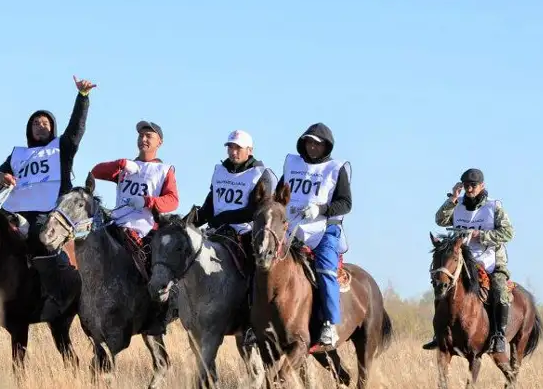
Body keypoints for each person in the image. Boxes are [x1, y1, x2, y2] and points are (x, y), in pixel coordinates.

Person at [0, 75, 96, 321]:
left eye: (45, 122)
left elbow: (76, 129)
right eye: (35, 122)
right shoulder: (19, 154)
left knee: (40, 234)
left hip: (50, 212)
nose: (40, 125)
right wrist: (1, 177)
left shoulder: (62, 149)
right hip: (16, 211)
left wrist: (83, 98)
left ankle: (52, 294)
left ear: (52, 127)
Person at [89, 120, 180, 335]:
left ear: (160, 142)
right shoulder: (126, 167)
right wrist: (120, 164)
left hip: (144, 228)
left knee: (154, 269)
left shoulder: (164, 170)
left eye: (149, 135)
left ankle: (157, 313)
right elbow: (95, 172)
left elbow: (173, 200)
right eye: (141, 135)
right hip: (116, 225)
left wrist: (148, 202)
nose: (144, 139)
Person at [190, 130, 277, 346]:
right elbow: (210, 206)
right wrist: (188, 222)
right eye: (230, 147)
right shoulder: (220, 171)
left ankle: (252, 323)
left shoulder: (262, 173)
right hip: (217, 232)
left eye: (238, 148)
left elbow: (258, 209)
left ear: (250, 150)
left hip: (245, 233)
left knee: (253, 271)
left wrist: (226, 217)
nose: (234, 151)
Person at [422, 168, 515, 354]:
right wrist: (453, 199)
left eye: (473, 185)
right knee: (442, 282)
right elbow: (440, 220)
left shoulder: (493, 207)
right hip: (463, 259)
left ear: (482, 186)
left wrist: (479, 235)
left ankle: (498, 335)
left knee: (499, 289)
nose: (469, 189)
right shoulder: (458, 204)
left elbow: (508, 233)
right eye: (466, 186)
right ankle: (439, 333)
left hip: (490, 260)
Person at [280, 122, 352, 353]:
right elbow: (280, 193)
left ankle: (329, 324)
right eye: (309, 142)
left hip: (324, 230)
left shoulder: (336, 168)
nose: (312, 147)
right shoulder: (293, 164)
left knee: (325, 270)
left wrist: (320, 210)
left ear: (326, 146)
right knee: (264, 263)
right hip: (291, 229)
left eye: (318, 144)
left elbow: (345, 203)